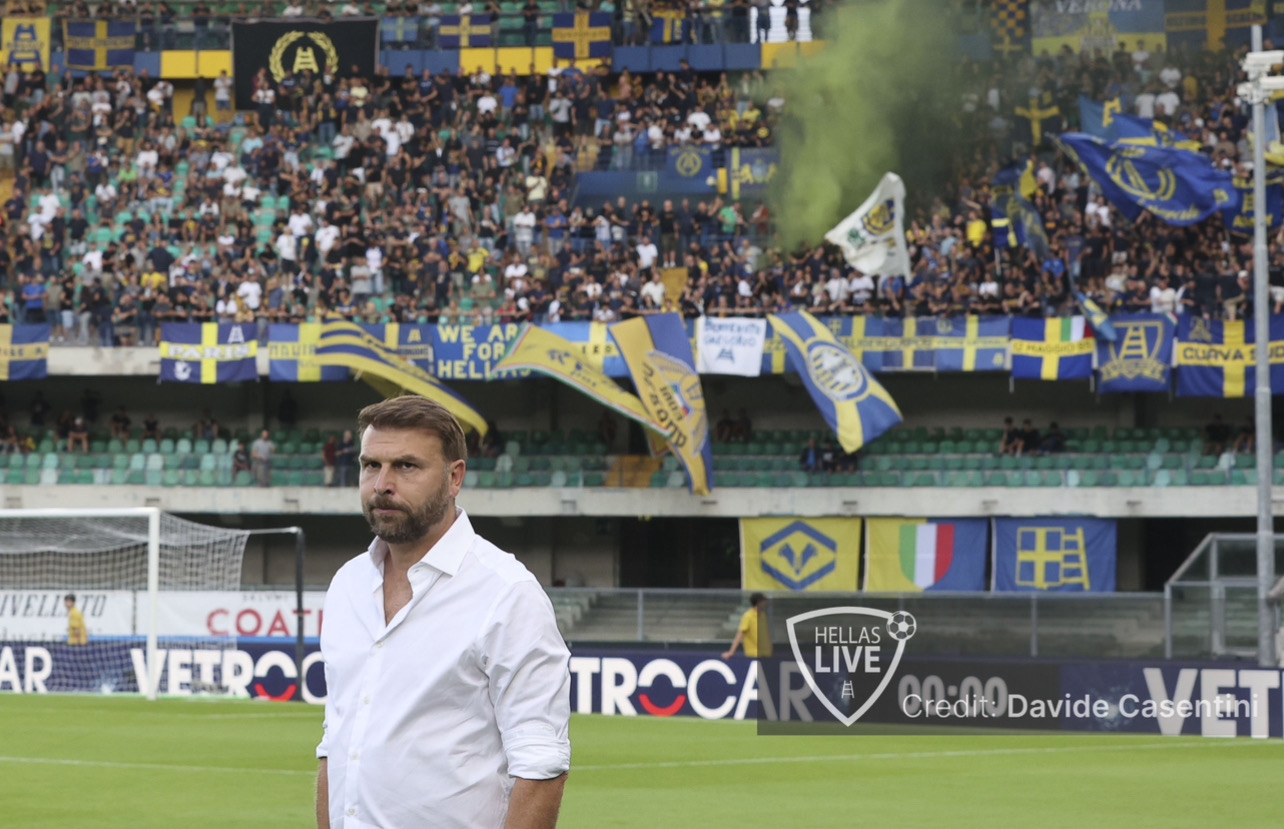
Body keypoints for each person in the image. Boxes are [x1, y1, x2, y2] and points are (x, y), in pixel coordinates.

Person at [316, 396, 570, 829]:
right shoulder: (348, 584)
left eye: (406, 466)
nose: (382, 484)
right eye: (371, 465)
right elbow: (337, 741)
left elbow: (540, 764)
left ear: (455, 478)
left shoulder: (507, 593)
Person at [722, 593, 770, 659]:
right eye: (764, 600)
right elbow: (740, 634)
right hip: (753, 654)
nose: (766, 602)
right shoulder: (748, 616)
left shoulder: (763, 615)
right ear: (759, 602)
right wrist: (731, 652)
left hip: (766, 654)